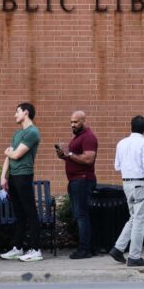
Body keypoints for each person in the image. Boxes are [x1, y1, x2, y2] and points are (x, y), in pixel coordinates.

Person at [109, 115, 144, 267]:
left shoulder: (122, 143)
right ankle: (134, 256)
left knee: (133, 218)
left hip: (127, 184)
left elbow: (117, 166)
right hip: (141, 183)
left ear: (131, 127)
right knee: (139, 220)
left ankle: (118, 248)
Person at [0, 102, 42, 262]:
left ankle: (36, 249)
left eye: (17, 112)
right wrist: (3, 176)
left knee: (30, 212)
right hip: (14, 177)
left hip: (24, 175)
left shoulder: (32, 132)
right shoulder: (17, 134)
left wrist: (8, 152)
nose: (15, 115)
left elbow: (16, 155)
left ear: (26, 112)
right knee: (19, 214)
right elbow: (9, 157)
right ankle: (18, 248)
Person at [54, 110, 98, 259]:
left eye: (76, 122)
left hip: (83, 180)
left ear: (84, 121)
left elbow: (88, 160)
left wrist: (70, 154)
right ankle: (90, 248)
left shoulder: (89, 137)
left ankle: (84, 250)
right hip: (75, 180)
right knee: (81, 215)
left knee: (81, 215)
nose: (73, 125)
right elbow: (75, 158)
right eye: (71, 122)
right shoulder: (78, 138)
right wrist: (64, 156)